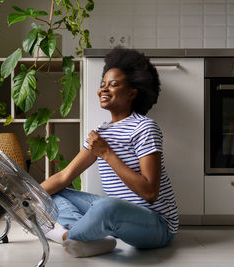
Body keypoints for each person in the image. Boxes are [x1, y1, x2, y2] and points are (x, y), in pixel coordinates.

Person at [41, 47, 179, 258]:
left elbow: (150, 193)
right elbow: (64, 176)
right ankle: (85, 238)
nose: (103, 90)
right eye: (102, 85)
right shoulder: (102, 133)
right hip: (121, 217)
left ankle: (64, 236)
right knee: (53, 192)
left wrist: (106, 154)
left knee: (108, 206)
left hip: (157, 224)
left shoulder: (145, 128)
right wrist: (24, 197)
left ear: (133, 92)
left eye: (113, 85)